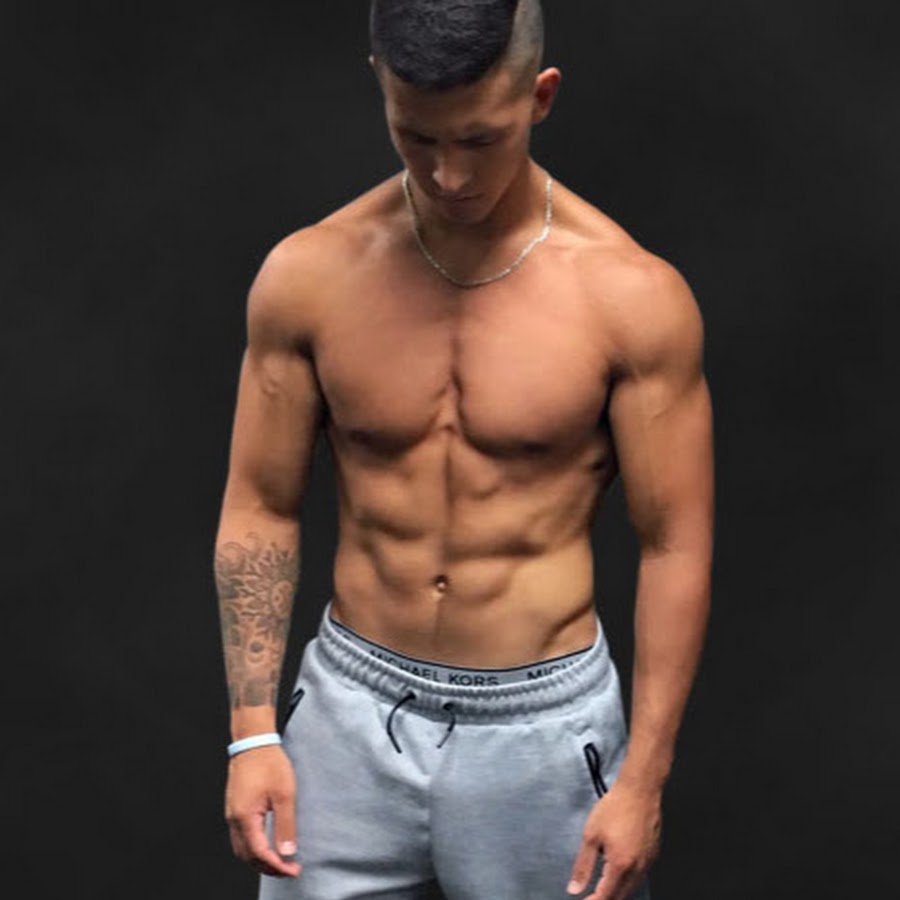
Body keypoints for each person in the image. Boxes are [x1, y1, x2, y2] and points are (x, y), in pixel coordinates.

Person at [213, 1, 714, 898]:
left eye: (480, 139)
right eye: (417, 136)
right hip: (347, 717)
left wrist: (643, 779)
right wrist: (252, 732)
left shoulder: (628, 296)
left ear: (540, 98)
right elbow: (262, 504)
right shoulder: (311, 275)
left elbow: (674, 545)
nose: (448, 174)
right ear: (381, 87)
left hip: (544, 732)